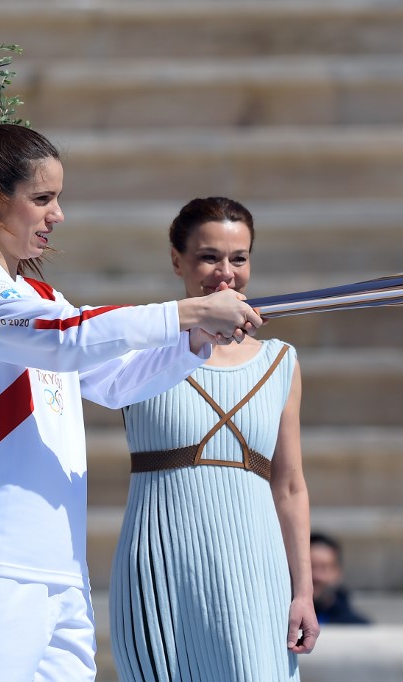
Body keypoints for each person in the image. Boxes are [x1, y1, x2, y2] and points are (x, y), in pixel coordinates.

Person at [0, 124, 263, 682]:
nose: (58, 215)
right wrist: (192, 312)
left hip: (62, 573)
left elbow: (117, 380)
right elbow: (68, 337)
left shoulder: (43, 297)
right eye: (43, 199)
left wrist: (196, 343)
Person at [109, 196, 319, 681]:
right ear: (176, 258)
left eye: (238, 258)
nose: (225, 273)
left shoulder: (280, 361)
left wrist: (302, 592)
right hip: (161, 564)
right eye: (209, 257)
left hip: (256, 567)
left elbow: (289, 487)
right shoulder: (142, 344)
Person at [310, 532, 371, 625]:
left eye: (324, 568)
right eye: (310, 567)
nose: (317, 576)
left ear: (338, 572)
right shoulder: (284, 624)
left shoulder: (358, 627)